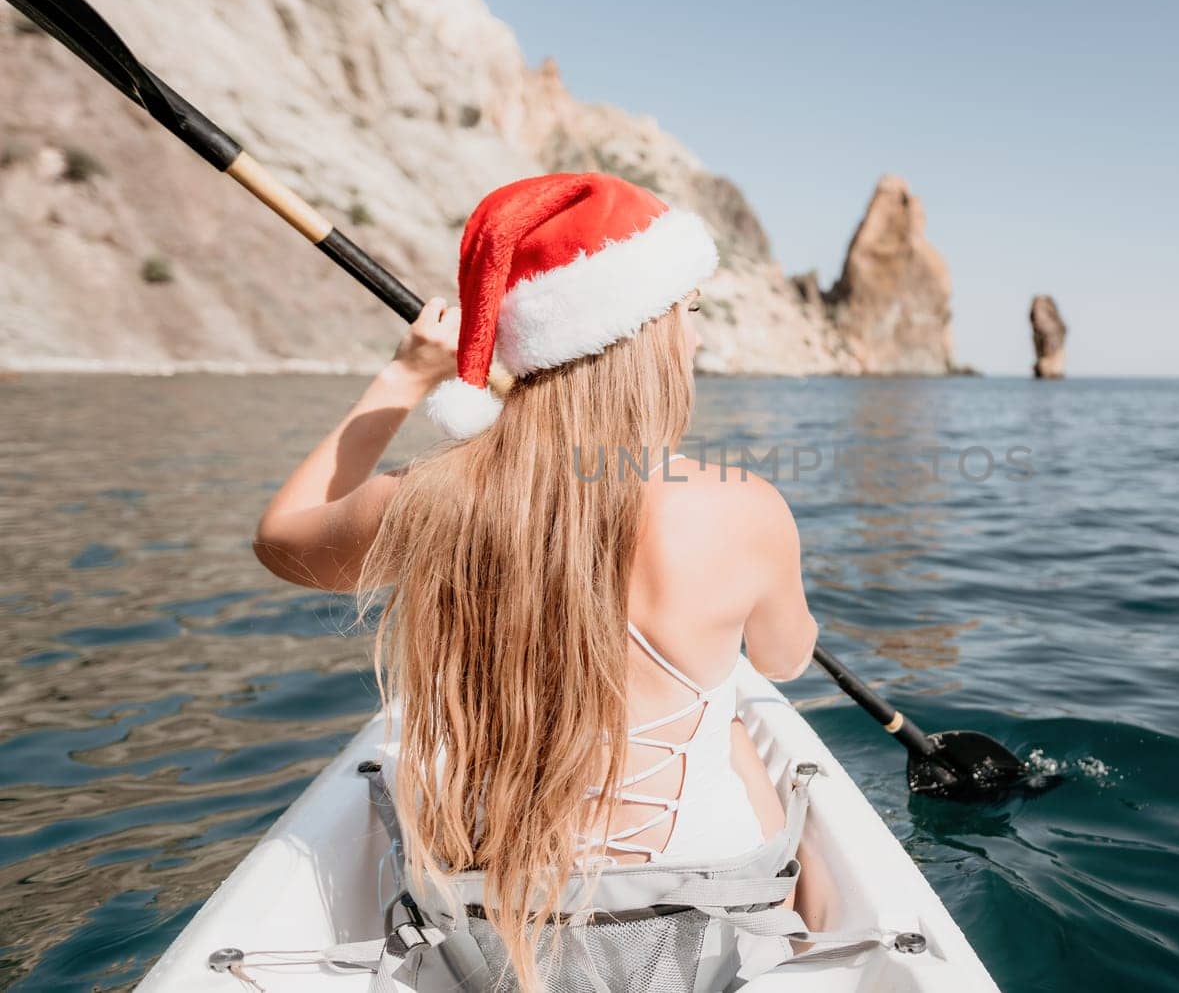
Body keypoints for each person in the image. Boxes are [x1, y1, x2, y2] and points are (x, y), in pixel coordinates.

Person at [252, 173, 825, 989]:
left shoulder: (433, 502)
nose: (697, 338)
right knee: (731, 719)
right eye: (689, 311)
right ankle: (798, 949)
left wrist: (405, 376)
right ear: (645, 330)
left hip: (492, 914)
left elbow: (281, 536)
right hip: (698, 905)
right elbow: (786, 658)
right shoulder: (745, 506)